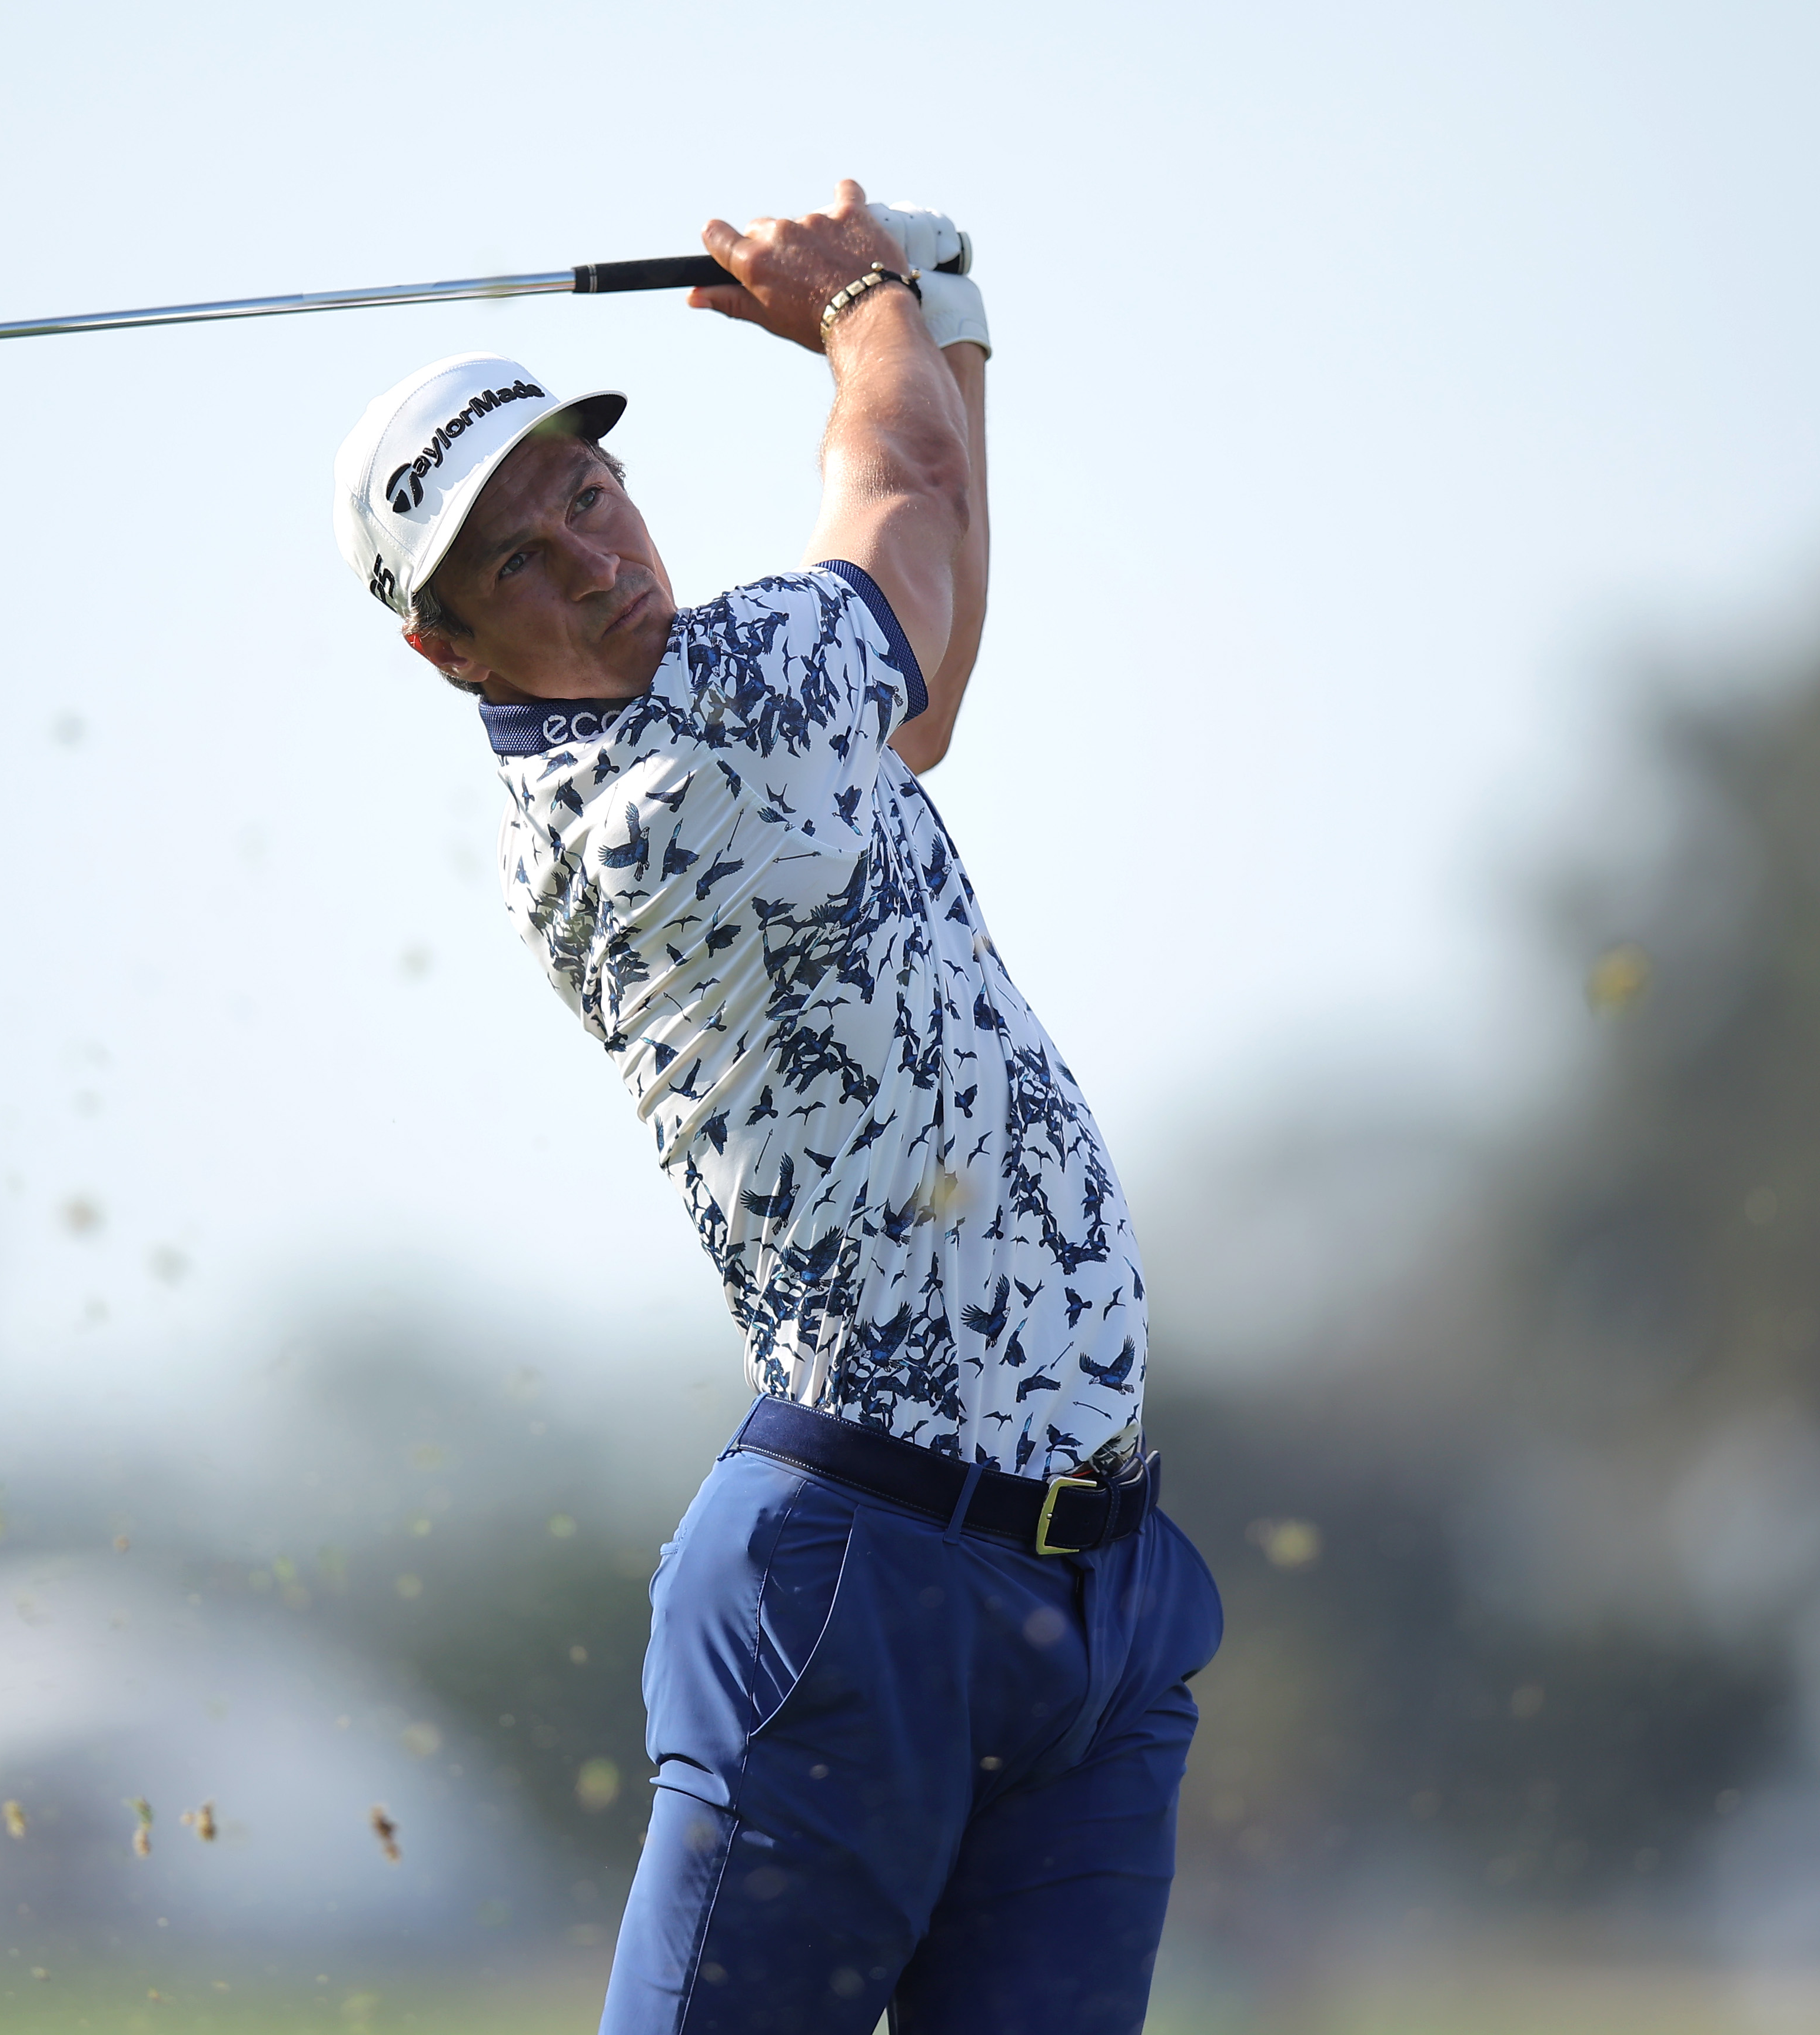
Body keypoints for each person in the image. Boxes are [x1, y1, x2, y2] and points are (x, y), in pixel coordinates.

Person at [328, 181, 1221, 2035]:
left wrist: (939, 310)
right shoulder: (669, 768)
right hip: (860, 1596)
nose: (585, 556)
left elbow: (929, 673)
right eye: (512, 562)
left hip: (1092, 1593)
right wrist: (872, 300)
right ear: (450, 651)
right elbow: (900, 500)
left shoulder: (776, 710)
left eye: (581, 491)